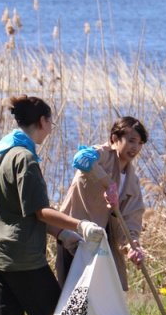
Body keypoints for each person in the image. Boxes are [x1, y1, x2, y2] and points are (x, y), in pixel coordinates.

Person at [0, 95, 106, 315]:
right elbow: (40, 210)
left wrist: (62, 234)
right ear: (41, 122)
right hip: (23, 260)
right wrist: (80, 224)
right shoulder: (25, 158)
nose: (51, 129)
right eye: (51, 122)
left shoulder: (8, 152)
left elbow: (22, 213)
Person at [55, 116, 148, 291]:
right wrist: (108, 183)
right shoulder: (102, 154)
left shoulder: (132, 181)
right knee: (69, 298)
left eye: (140, 143)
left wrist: (131, 246)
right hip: (72, 234)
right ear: (114, 139)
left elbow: (130, 219)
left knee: (94, 298)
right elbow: (81, 159)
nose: (135, 148)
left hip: (98, 240)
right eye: (131, 141)